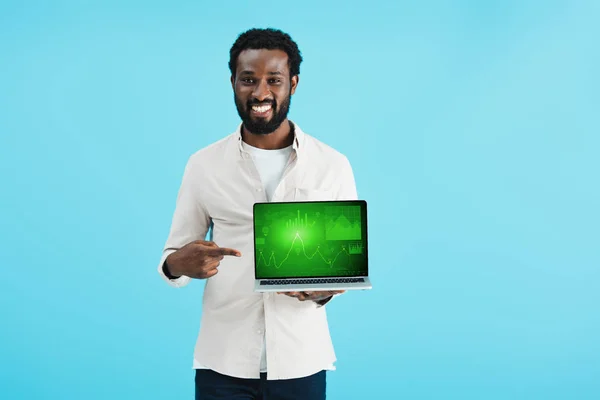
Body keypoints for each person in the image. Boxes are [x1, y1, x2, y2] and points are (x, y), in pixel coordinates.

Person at [158, 27, 358, 400]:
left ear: (293, 84)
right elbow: (173, 259)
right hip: (223, 361)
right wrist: (179, 265)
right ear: (233, 82)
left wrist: (325, 291)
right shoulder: (203, 165)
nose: (261, 93)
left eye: (274, 80)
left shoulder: (332, 164)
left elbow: (343, 265)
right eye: (248, 79)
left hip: (301, 358)